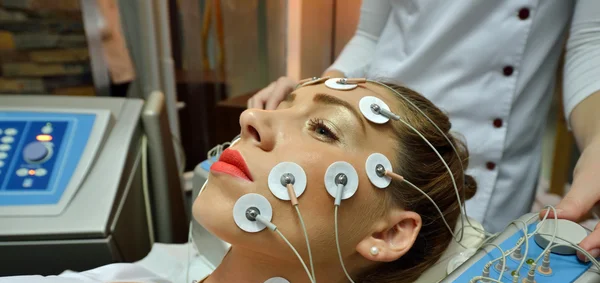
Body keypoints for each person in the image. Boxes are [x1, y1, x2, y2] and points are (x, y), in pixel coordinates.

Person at [1, 80, 475, 283]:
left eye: (324, 128)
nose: (252, 117)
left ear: (388, 232)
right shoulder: (126, 278)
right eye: (285, 107)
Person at [248, 0, 600, 261]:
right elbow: (371, 36)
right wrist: (311, 98)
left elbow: (590, 43)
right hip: (380, 130)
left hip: (491, 170)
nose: (249, 122)